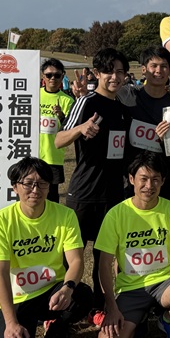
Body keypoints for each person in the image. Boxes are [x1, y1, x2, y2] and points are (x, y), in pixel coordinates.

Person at [0, 157, 93, 338]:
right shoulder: (1, 221)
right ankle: (25, 327)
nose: (35, 189)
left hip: (52, 292)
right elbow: (0, 275)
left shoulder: (65, 215)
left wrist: (67, 288)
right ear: (15, 187)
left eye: (42, 183)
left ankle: (57, 330)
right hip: (19, 299)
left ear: (49, 186)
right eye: (28, 183)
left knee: (83, 295)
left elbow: (76, 260)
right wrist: (11, 323)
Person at [95, 152, 170, 338]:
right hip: (131, 288)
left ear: (163, 181)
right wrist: (111, 307)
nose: (149, 186)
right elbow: (104, 264)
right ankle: (139, 318)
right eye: (143, 179)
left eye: (155, 180)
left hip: (165, 281)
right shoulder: (116, 214)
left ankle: (166, 320)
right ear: (132, 179)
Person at [55, 48, 131, 319]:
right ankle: (62, 310)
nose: (114, 77)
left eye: (120, 72)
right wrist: (80, 129)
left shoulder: (122, 107)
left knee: (104, 256)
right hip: (84, 192)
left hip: (113, 194)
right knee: (70, 255)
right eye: (109, 71)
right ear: (97, 73)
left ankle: (99, 307)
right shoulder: (86, 102)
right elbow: (59, 140)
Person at [117, 46, 170, 203]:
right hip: (130, 180)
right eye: (153, 66)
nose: (159, 71)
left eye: (164, 66)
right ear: (144, 69)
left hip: (164, 182)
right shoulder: (126, 95)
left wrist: (166, 142)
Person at [39, 58, 75, 202]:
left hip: (53, 156)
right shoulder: (33, 95)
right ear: (43, 76)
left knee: (51, 196)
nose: (52, 78)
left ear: (63, 76)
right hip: (32, 153)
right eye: (49, 75)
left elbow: (71, 130)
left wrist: (61, 116)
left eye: (57, 75)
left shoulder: (68, 101)